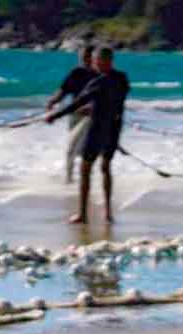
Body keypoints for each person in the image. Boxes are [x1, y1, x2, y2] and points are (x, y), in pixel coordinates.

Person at [46, 47, 130, 224]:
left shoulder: (97, 82)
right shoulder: (122, 78)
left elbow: (75, 104)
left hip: (97, 129)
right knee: (106, 168)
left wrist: (54, 116)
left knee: (85, 169)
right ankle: (108, 213)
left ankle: (82, 215)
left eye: (94, 60)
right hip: (114, 129)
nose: (92, 63)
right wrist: (94, 107)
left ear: (100, 61)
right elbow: (117, 102)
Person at [46, 45, 96, 183]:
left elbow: (104, 98)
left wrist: (91, 107)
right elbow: (63, 90)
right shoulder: (76, 72)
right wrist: (53, 101)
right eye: (82, 57)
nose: (84, 59)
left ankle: (75, 181)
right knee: (76, 149)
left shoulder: (99, 75)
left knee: (73, 148)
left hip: (91, 117)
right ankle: (72, 180)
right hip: (74, 115)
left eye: (87, 57)